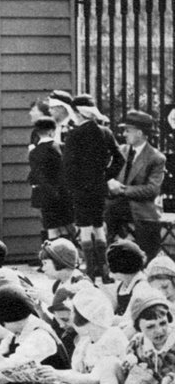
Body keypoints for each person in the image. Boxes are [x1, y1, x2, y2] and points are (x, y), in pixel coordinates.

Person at [61, 92, 122, 283]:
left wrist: (70, 188)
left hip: (80, 189)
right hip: (98, 188)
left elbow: (68, 166)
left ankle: (89, 272)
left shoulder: (74, 135)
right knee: (98, 227)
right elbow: (120, 158)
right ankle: (104, 272)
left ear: (78, 113)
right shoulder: (105, 132)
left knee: (85, 229)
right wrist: (106, 175)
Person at [106, 109, 167, 260]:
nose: (124, 134)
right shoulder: (121, 151)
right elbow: (108, 175)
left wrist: (121, 190)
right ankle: (105, 261)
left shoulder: (156, 158)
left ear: (139, 133)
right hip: (116, 205)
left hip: (141, 207)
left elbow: (152, 190)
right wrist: (109, 182)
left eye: (127, 130)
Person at [28, 116, 73, 240]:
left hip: (46, 196)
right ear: (51, 131)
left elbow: (36, 175)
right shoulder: (61, 148)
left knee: (52, 230)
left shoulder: (34, 153)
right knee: (66, 229)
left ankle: (54, 256)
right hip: (64, 194)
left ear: (37, 133)